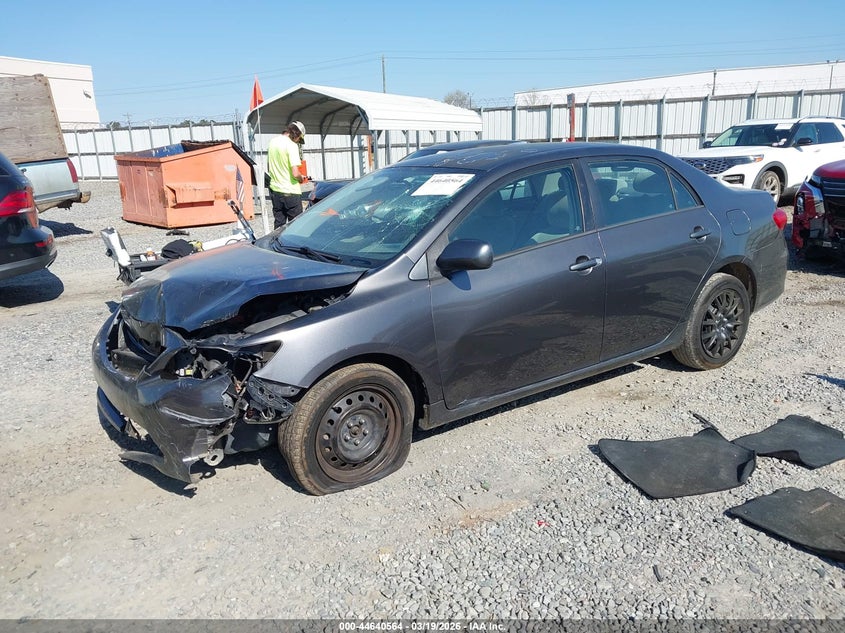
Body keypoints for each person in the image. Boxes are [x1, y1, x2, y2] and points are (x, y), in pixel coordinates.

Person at [267, 120, 308, 229]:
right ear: (297, 134)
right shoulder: (291, 146)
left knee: (279, 225)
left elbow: (270, 166)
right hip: (291, 192)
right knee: (296, 227)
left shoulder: (272, 142)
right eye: (299, 139)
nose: (298, 141)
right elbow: (295, 173)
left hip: (275, 191)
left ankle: (275, 245)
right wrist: (301, 178)